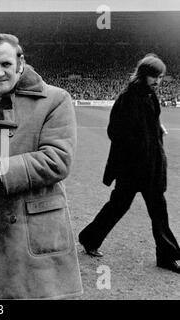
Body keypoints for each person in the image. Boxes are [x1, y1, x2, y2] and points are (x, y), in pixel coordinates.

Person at [0, 33, 83, 299]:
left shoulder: (55, 100)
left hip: (32, 228)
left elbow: (57, 160)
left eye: (6, 64)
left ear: (20, 62)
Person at [78, 54, 180, 273]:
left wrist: (155, 129)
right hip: (133, 168)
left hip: (150, 166)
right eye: (154, 76)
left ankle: (166, 256)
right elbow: (114, 131)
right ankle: (89, 239)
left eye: (160, 77)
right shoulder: (128, 97)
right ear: (143, 74)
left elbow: (148, 122)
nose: (158, 81)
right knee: (119, 206)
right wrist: (138, 146)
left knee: (157, 210)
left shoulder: (149, 95)